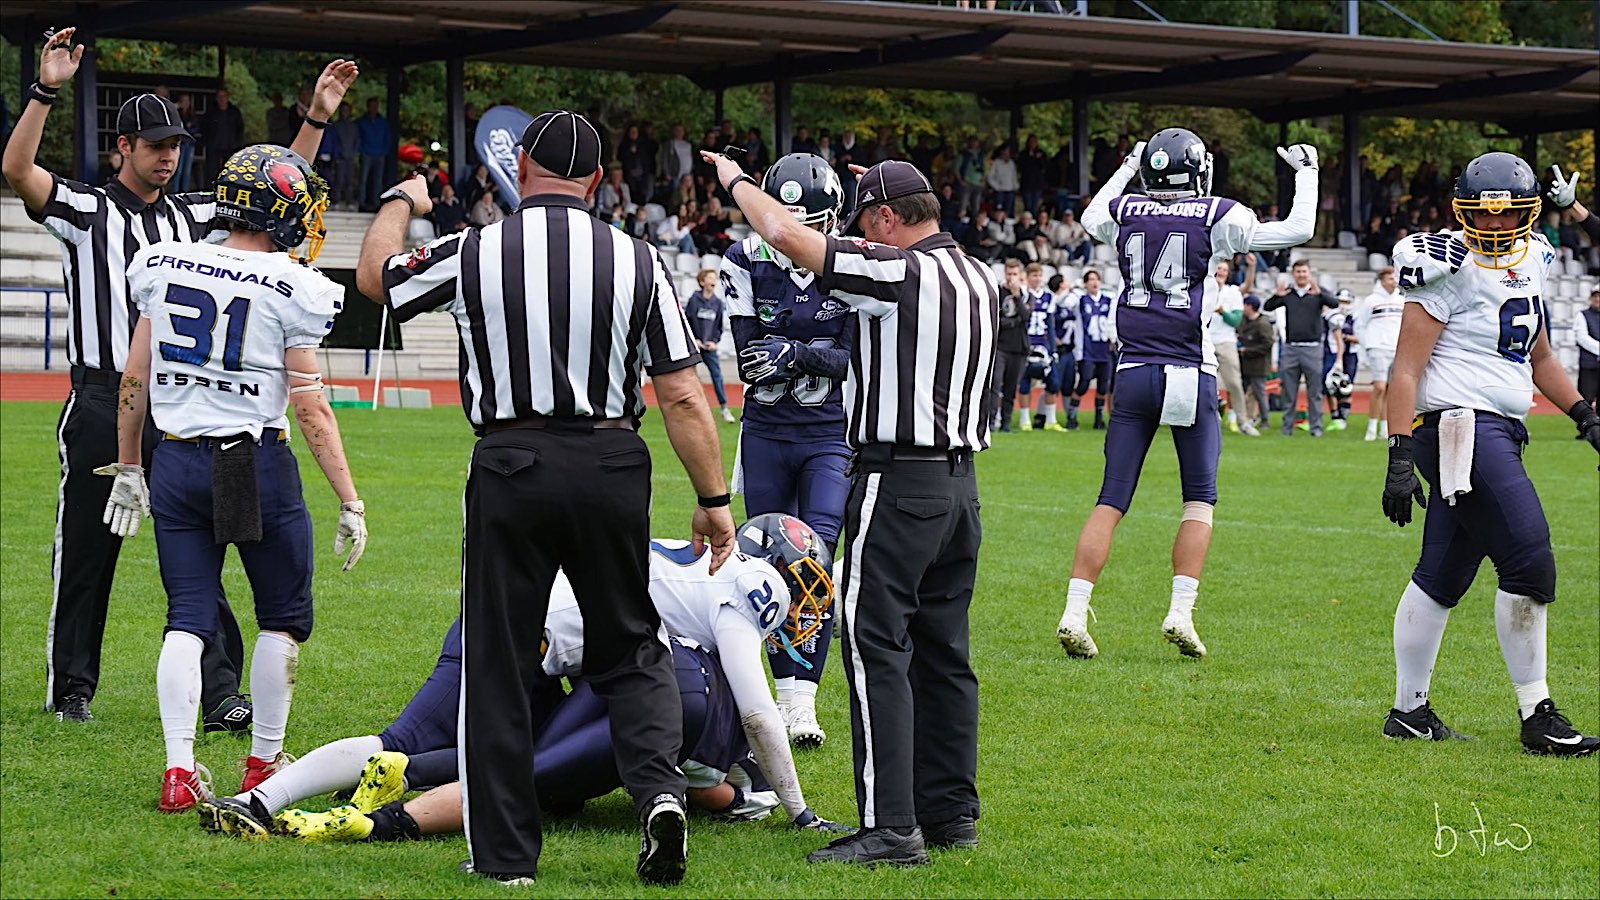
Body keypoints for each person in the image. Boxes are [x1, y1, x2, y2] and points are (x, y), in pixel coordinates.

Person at [356, 109, 736, 886]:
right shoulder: (641, 259)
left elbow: (376, 281)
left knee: (500, 657)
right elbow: (684, 395)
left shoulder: (474, 249)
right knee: (631, 645)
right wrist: (714, 497)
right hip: (610, 458)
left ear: (519, 167)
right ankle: (660, 792)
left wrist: (401, 198)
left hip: (511, 460)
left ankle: (504, 860)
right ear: (597, 181)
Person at [2, 30, 357, 728]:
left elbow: (275, 183)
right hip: (107, 397)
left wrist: (315, 117)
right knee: (87, 550)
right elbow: (18, 170)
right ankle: (73, 688)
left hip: (186, 407)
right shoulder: (86, 210)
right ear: (121, 151)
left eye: (174, 145)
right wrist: (45, 89)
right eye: (153, 145)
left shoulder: (194, 214)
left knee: (201, 547)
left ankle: (221, 691)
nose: (168, 155)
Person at [703, 149, 997, 867]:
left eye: (868, 224)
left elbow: (788, 236)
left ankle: (891, 827)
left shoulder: (899, 269)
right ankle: (950, 811)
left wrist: (737, 182)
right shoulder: (978, 274)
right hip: (962, 487)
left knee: (873, 647)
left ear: (891, 219)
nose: (858, 239)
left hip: (898, 480)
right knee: (945, 652)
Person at [199, 519, 850, 840]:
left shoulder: (697, 572)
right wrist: (799, 811)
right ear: (774, 566)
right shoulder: (753, 581)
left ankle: (256, 802)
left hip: (517, 616)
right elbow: (760, 713)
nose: (807, 605)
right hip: (533, 638)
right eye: (807, 584)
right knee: (506, 762)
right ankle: (383, 810)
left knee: (398, 738)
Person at [103, 143, 365, 812]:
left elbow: (134, 376)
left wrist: (130, 465)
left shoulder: (165, 263)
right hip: (253, 463)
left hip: (177, 458)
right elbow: (309, 405)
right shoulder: (294, 284)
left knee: (186, 618)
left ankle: (178, 770)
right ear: (282, 208)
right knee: (281, 618)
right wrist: (349, 498)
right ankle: (262, 761)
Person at [1056, 129, 1318, 661]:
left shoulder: (1126, 211)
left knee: (1111, 499)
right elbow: (1299, 228)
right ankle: (1180, 611)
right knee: (1199, 499)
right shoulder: (1215, 214)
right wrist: (1307, 174)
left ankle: (1074, 612)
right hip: (1189, 372)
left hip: (1132, 369)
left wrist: (1128, 165)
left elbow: (1090, 217)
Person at [1380, 151, 1599, 756]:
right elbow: (1405, 368)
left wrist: (1584, 415)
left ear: (1529, 214)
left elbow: (1542, 357)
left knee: (1440, 578)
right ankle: (1538, 715)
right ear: (1463, 210)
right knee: (1529, 558)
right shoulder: (1443, 264)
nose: (1498, 228)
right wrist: (1398, 453)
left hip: (1496, 428)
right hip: (1458, 427)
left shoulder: (1535, 257)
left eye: (1509, 217)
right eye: (1485, 216)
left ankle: (1409, 711)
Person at [722, 153, 852, 747]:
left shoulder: (846, 260)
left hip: (829, 432)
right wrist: (800, 349)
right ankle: (766, 690)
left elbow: (850, 356)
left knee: (815, 557)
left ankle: (803, 701)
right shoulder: (743, 258)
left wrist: (796, 353)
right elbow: (749, 351)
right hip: (768, 431)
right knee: (763, 562)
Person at [1264, 259, 1338, 436]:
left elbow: (1335, 303)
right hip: (1291, 348)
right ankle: (1286, 429)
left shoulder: (1317, 293)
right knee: (1289, 391)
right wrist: (1277, 295)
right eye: (1298, 272)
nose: (1301, 275)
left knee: (1314, 392)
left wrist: (1320, 294)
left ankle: (1316, 428)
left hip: (1312, 348)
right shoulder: (1288, 294)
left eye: (1304, 272)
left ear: (1309, 273)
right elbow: (1268, 306)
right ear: (1293, 274)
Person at [1353, 266, 1404, 441]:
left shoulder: (1402, 300)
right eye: (1390, 278)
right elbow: (1360, 325)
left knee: (1390, 389)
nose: (1394, 281)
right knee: (1379, 387)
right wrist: (1368, 345)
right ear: (1382, 280)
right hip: (1378, 347)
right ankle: (1371, 426)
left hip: (1396, 348)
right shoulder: (1371, 301)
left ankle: (1384, 428)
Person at [1210, 258, 1255, 435]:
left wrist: (1222, 312)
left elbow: (1235, 320)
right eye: (1218, 268)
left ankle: (1243, 421)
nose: (1221, 272)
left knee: (1234, 383)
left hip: (1225, 341)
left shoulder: (1232, 293)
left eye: (1224, 270)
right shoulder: (1203, 289)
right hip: (1205, 340)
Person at [685, 269, 736, 423]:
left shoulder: (718, 303)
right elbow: (686, 322)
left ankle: (724, 408)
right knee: (689, 377)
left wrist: (714, 341)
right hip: (694, 347)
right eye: (710, 278)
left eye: (715, 278)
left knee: (717, 376)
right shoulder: (694, 300)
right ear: (702, 282)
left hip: (709, 348)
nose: (713, 280)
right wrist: (694, 340)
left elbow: (719, 327)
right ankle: (691, 408)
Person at [1069, 270, 1114, 430]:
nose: (1094, 283)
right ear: (1085, 283)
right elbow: (1066, 302)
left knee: (1103, 387)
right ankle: (1072, 416)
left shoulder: (1108, 300)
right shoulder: (1081, 300)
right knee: (1083, 384)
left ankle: (1099, 418)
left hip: (1104, 351)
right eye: (1091, 280)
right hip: (1087, 350)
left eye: (1097, 279)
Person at [1020, 263, 1060, 431]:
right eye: (1033, 275)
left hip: (1043, 345)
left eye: (1039, 275)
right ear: (1027, 277)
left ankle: (1050, 420)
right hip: (1026, 344)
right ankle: (1025, 420)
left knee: (1053, 382)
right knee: (1024, 383)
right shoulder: (1022, 295)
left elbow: (1050, 324)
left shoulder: (1049, 297)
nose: (1037, 279)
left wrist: (1053, 349)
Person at [992, 259, 1029, 433]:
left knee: (1011, 387)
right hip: (1000, 346)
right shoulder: (997, 291)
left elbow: (1026, 316)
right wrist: (1015, 321)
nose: (1011, 277)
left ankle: (1006, 423)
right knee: (994, 384)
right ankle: (990, 421)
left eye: (1015, 274)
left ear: (1020, 275)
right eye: (1009, 274)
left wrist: (1017, 296)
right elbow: (997, 320)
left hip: (1019, 347)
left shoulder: (1026, 294)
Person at [1236, 294, 1274, 431]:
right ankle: (1246, 418)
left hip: (1258, 365)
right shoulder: (1244, 321)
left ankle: (1265, 420)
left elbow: (1267, 343)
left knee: (1259, 392)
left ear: (1249, 306)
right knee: (1243, 391)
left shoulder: (1263, 324)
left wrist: (1248, 350)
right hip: (1245, 363)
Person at [1321, 289, 1354, 430]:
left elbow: (1358, 337)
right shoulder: (1329, 316)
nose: (1343, 305)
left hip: (1346, 353)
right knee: (1328, 386)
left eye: (1346, 302)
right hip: (1331, 353)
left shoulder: (1353, 317)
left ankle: (1342, 418)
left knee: (1343, 387)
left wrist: (1339, 358)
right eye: (1341, 301)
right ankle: (1335, 416)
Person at [200, 87, 244, 181]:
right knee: (211, 172)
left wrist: (238, 144)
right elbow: (204, 127)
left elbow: (240, 129)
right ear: (216, 98)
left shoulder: (234, 112)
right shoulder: (211, 112)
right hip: (213, 147)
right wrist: (206, 142)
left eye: (224, 96)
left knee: (230, 172)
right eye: (219, 97)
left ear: (228, 97)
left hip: (230, 147)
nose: (222, 99)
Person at [356, 98, 391, 211]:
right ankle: (361, 203)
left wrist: (384, 151)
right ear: (368, 107)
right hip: (366, 153)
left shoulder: (383, 122)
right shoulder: (361, 121)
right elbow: (357, 138)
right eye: (371, 106)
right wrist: (361, 150)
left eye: (375, 106)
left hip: (380, 154)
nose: (373, 108)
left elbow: (388, 137)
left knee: (378, 180)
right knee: (363, 180)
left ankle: (377, 203)